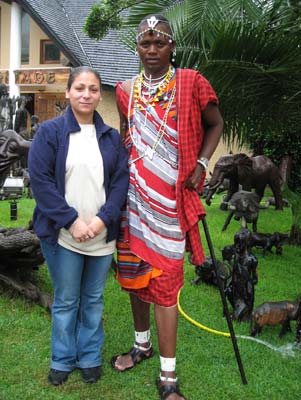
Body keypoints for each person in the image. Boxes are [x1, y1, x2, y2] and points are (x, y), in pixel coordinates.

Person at [110, 15, 224, 400]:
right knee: (134, 279)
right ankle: (141, 346)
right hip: (133, 202)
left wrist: (203, 165)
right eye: (146, 44)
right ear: (138, 48)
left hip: (171, 204)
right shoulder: (125, 91)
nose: (153, 50)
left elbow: (215, 124)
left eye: (160, 43)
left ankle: (169, 376)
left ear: (172, 46)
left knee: (164, 285)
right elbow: (129, 140)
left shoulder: (191, 82)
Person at [28, 66, 129, 386]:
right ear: (68, 92)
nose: (87, 94)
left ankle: (89, 356)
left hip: (101, 235)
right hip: (63, 234)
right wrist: (72, 222)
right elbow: (41, 183)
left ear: (100, 95)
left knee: (93, 299)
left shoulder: (111, 138)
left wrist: (101, 220)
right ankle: (61, 358)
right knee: (67, 299)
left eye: (94, 89)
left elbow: (120, 183)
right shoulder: (50, 133)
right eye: (80, 88)